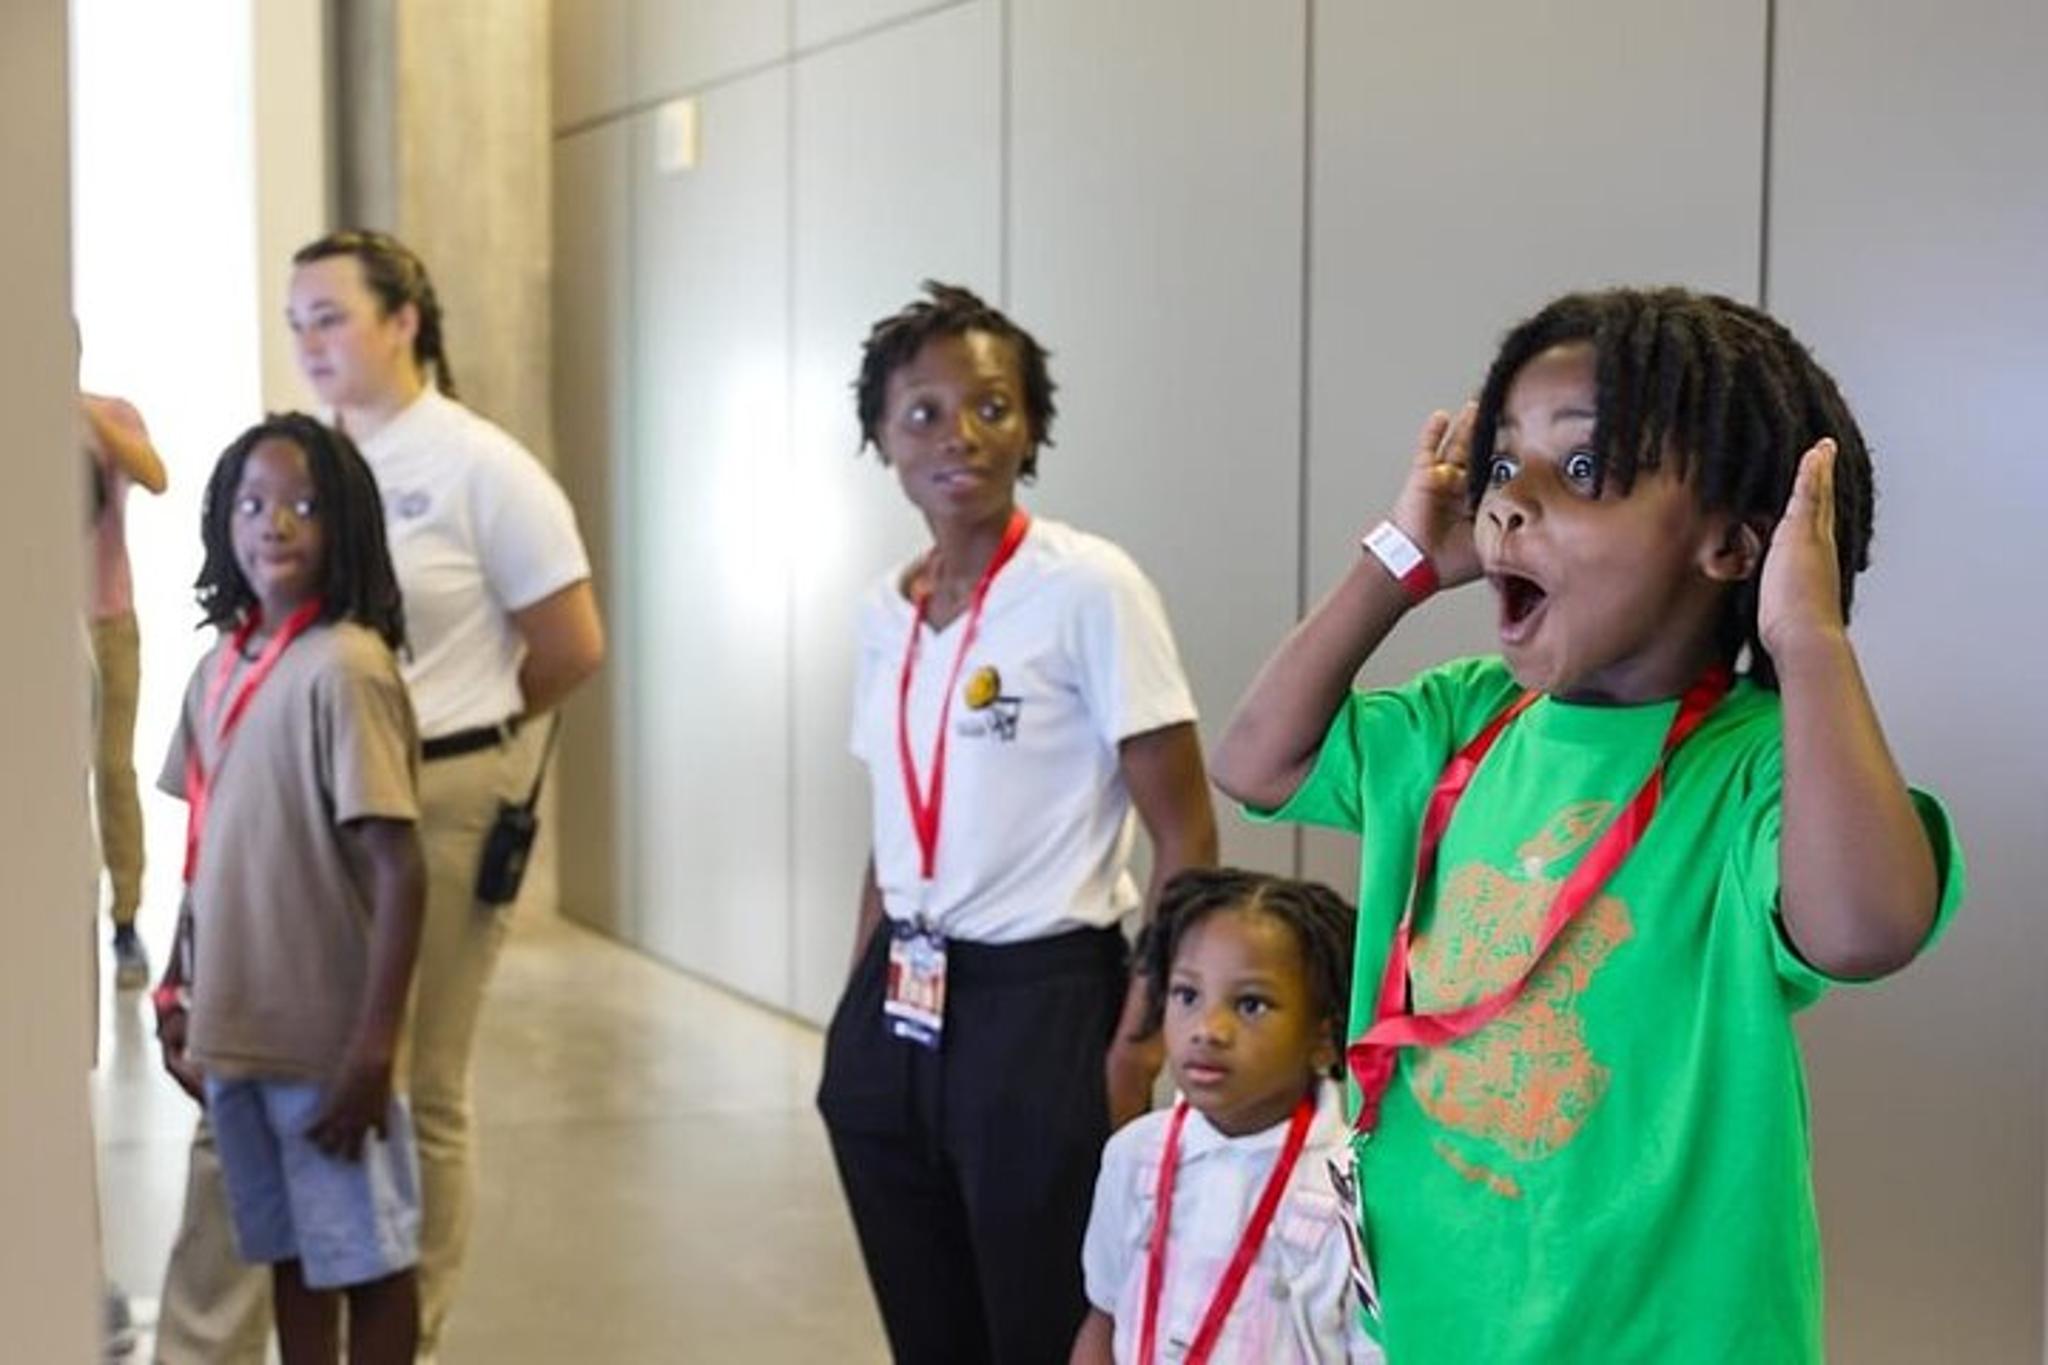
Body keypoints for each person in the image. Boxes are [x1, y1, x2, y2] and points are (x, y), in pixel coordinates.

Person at [1209, 287, 1965, 1364]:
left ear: (1728, 545)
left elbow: (1863, 930)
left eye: (1577, 471)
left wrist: (1808, 643)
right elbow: (1255, 763)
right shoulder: (1464, 718)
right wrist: (1397, 561)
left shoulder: (1756, 764)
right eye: (1500, 464)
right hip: (1434, 1323)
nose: (1508, 503)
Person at [154, 231, 605, 1363]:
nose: (309, 341)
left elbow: (567, 645)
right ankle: (208, 1342)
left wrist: (455, 732)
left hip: (431, 795)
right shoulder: (303, 466)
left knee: (407, 1085)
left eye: (333, 316)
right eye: (297, 318)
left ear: (404, 320)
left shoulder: (478, 466)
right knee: (257, 1105)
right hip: (296, 808)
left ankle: (404, 1329)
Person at [817, 281, 1219, 1364]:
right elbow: (893, 819)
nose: (960, 434)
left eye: (991, 405)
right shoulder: (881, 609)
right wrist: (855, 1002)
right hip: (899, 1000)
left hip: (1037, 1003)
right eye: (923, 411)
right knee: (927, 1324)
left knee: (1041, 1325)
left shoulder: (1088, 587)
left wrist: (1139, 1042)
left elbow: (1185, 831)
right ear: (880, 437)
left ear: (1030, 424)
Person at [152, 413, 426, 1363]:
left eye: (304, 505)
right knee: (288, 1251)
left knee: (371, 1257)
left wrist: (374, 1043)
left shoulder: (347, 666)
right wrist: (177, 991)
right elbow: (203, 843)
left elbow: (400, 866)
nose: (276, 524)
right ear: (223, 521)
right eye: (254, 504)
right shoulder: (216, 667)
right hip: (238, 1028)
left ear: (343, 523)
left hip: (326, 1039)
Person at [1072, 867, 1379, 1364]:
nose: (1208, 1029)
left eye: (1251, 1005)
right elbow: (1103, 1317)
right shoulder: (1132, 1156)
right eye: (1187, 995)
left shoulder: (1354, 1188)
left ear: (1324, 1034)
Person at [81, 392, 168, 988]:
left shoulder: (111, 413)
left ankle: (126, 921)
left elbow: (155, 476)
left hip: (109, 622)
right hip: (33, 625)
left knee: (114, 771)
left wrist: (81, 414)